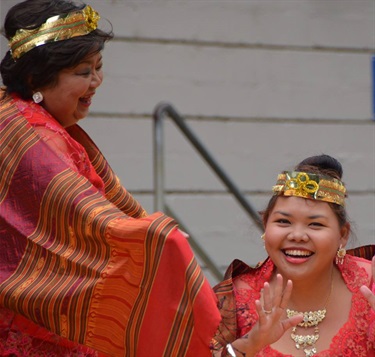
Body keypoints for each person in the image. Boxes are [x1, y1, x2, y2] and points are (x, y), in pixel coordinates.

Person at [0, 1, 221, 356]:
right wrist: (155, 238)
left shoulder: (16, 118)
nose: (96, 82)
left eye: (99, 68)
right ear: (34, 78)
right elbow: (84, 231)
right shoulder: (37, 137)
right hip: (39, 332)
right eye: (83, 72)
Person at [211, 154, 375, 357]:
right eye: (283, 222)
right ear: (265, 226)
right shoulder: (234, 299)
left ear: (342, 235)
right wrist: (250, 344)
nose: (297, 236)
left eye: (315, 224)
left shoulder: (371, 285)